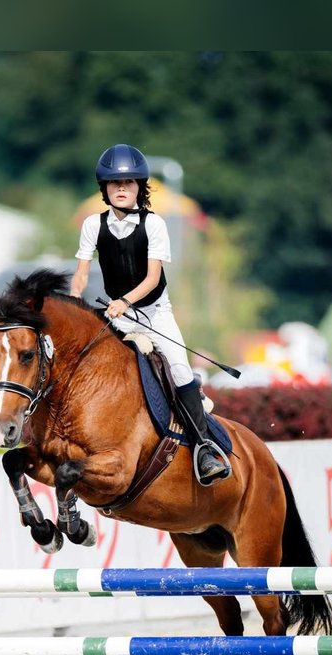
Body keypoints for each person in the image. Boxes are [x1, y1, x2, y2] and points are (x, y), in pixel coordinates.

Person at [69, 143, 230, 485]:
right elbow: (81, 272)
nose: (122, 188)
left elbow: (152, 277)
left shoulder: (154, 224)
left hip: (154, 312)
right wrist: (72, 300)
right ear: (105, 188)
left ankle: (204, 448)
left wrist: (125, 302)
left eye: (129, 183)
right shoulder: (91, 226)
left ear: (140, 187)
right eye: (115, 183)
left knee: (181, 368)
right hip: (117, 314)